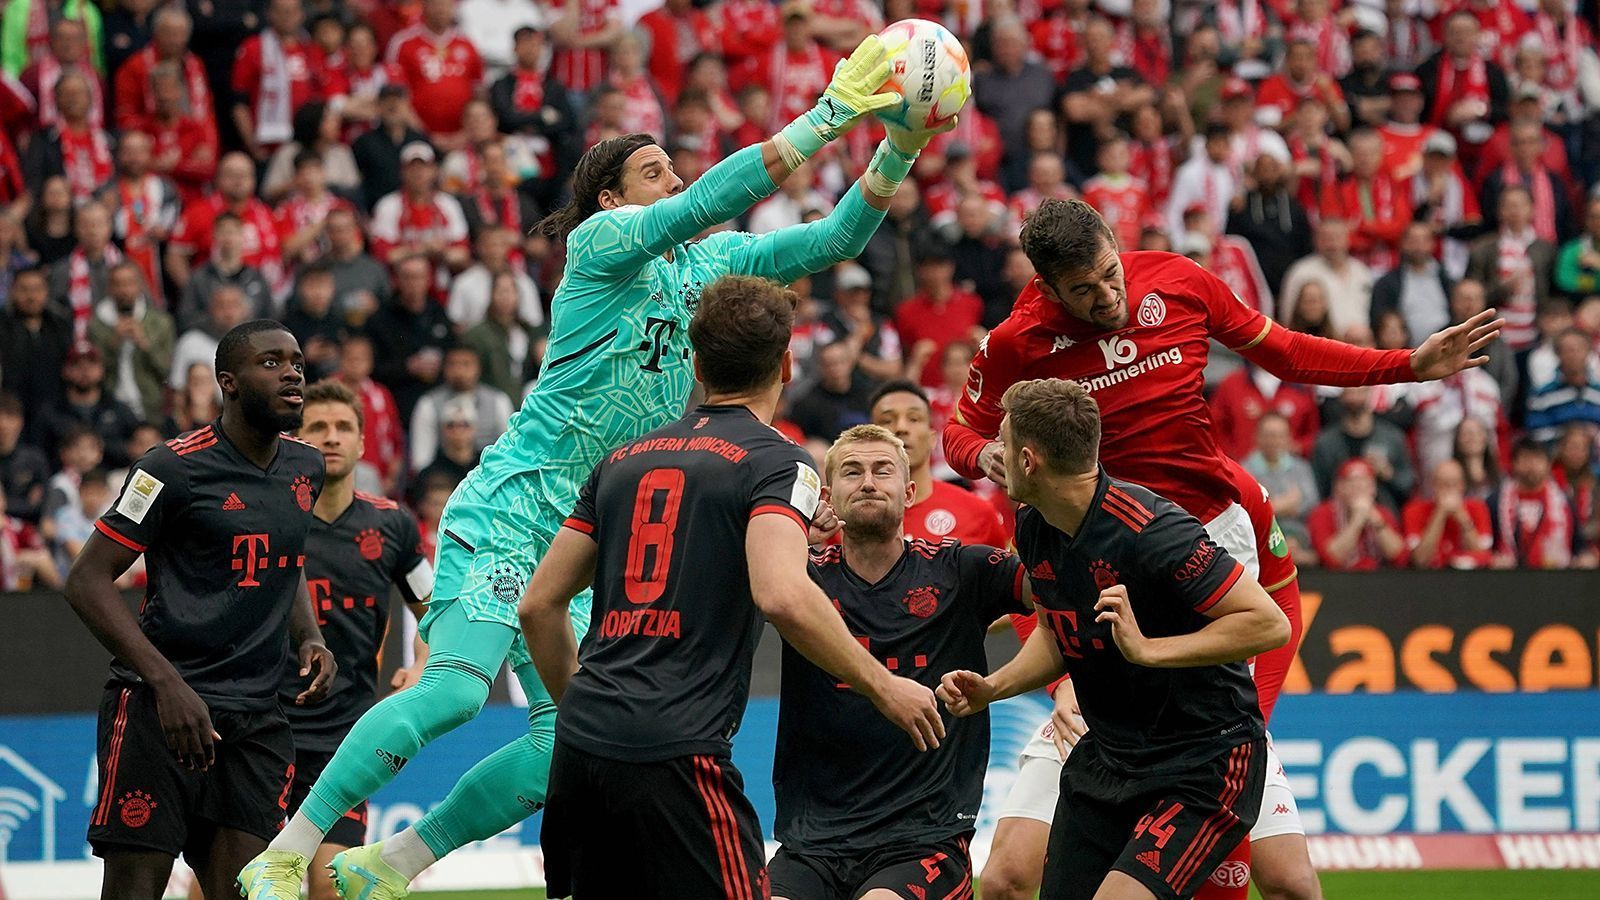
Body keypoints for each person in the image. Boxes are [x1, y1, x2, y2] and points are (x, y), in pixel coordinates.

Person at [246, 36, 947, 896]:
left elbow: (835, 237)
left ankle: (387, 866)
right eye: (655, 170)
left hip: (589, 530)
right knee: (456, 694)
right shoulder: (605, 247)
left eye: (673, 168)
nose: (675, 181)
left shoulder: (709, 266)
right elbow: (706, 203)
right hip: (513, 503)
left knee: (564, 742)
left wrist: (901, 141)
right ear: (611, 197)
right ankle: (287, 847)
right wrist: (827, 115)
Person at [943, 198, 1498, 900]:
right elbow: (958, 435)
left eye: (1111, 274)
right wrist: (988, 453)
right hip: (1102, 545)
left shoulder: (1180, 279)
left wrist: (1405, 366)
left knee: (1244, 819)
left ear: (1118, 243)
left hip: (1203, 536)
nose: (1108, 297)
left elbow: (1287, 351)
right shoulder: (1016, 340)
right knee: (1014, 873)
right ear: (1048, 289)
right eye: (1084, 291)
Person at [521, 275, 941, 898]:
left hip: (582, 748)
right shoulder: (778, 460)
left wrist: (591, 711)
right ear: (785, 362)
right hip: (677, 750)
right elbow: (780, 594)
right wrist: (884, 688)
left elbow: (538, 605)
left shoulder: (622, 461)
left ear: (695, 360)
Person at [938, 377, 1289, 900]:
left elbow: (1268, 623)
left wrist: (1148, 650)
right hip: (1110, 757)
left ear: (1029, 461)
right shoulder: (1034, 524)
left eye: (1004, 445)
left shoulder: (1154, 529)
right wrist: (994, 687)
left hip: (1203, 760)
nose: (995, 457)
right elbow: (1060, 633)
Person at [65, 320, 335, 900]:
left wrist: (309, 635)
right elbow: (86, 581)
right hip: (159, 713)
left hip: (257, 719)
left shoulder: (306, 468)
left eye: (296, 363)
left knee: (242, 892)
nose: (292, 373)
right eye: (271, 362)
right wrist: (166, 684)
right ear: (228, 383)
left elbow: (286, 561)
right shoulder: (168, 468)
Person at [771, 423, 1028, 899]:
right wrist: (788, 531)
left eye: (882, 471)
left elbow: (1054, 589)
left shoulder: (961, 568)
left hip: (923, 838)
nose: (868, 481)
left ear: (910, 493)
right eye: (852, 471)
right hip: (812, 840)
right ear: (828, 496)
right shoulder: (795, 580)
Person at [277, 380, 432, 900]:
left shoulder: (392, 525)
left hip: (345, 738)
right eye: (317, 427)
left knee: (331, 886)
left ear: (363, 443)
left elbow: (431, 611)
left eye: (344, 427)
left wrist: (420, 667)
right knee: (231, 883)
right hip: (262, 729)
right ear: (297, 441)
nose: (332, 437)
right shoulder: (272, 518)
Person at [869, 380, 1005, 546]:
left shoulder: (978, 514)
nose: (901, 428)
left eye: (914, 419)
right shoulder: (845, 518)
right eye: (887, 420)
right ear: (869, 439)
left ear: (932, 438)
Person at [1490, 437, 1582, 569]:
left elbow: (1579, 546)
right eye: (1526, 458)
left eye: (1537, 459)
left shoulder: (1564, 501)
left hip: (1555, 578)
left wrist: (1584, 557)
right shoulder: (1496, 501)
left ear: (1548, 464)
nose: (1532, 465)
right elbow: (1486, 545)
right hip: (1507, 579)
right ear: (1514, 463)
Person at [1306, 458, 1409, 570]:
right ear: (1338, 487)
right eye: (1352, 482)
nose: (1359, 488)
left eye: (1365, 483)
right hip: (1339, 580)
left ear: (1373, 488)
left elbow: (1400, 558)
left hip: (1379, 579)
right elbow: (1331, 559)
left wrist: (1377, 522)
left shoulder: (1383, 513)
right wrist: (1357, 520)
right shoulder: (1322, 513)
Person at [1404, 458, 1494, 569]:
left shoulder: (1478, 507)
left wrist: (1462, 517)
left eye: (1455, 484)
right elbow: (1419, 560)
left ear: (1463, 485)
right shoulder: (1414, 510)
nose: (1450, 490)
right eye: (1444, 484)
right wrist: (1440, 514)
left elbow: (1483, 556)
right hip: (1429, 579)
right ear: (1434, 486)